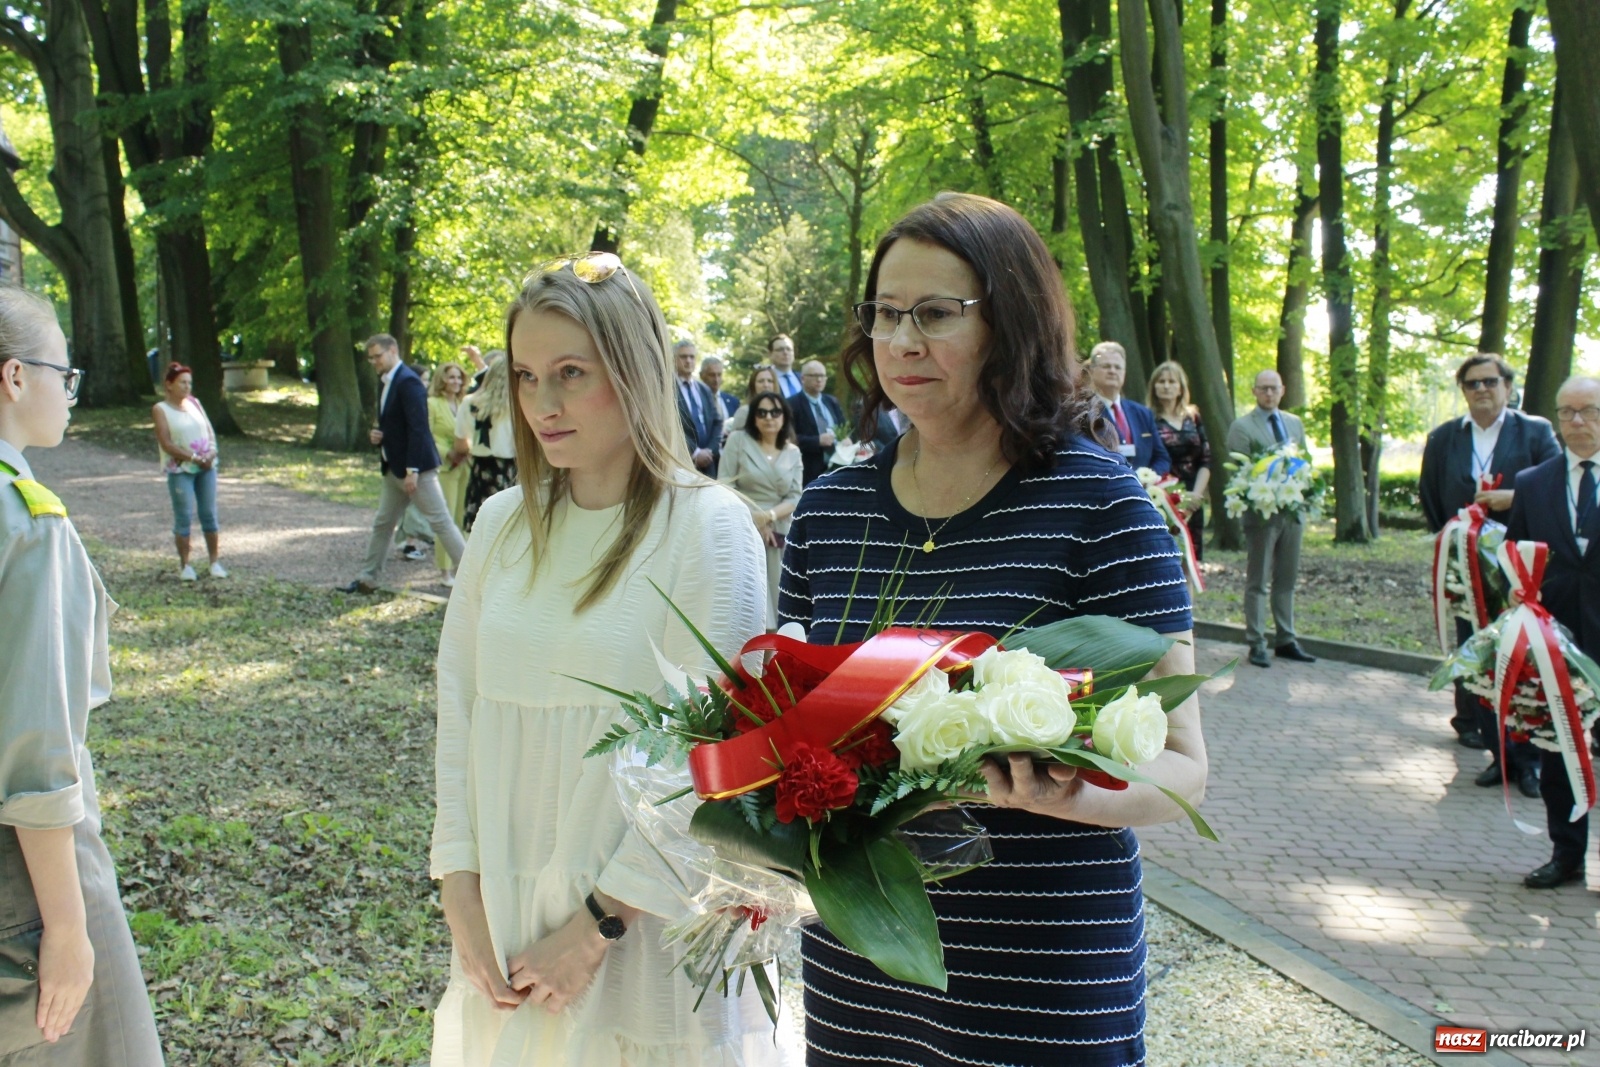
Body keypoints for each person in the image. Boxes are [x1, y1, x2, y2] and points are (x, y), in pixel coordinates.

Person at [780, 192, 1205, 1067]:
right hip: (861, 970)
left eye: (936, 314)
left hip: (1036, 978)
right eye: (885, 313)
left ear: (1010, 323)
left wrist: (1062, 793)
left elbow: (1184, 767)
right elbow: (790, 724)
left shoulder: (1102, 506)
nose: (901, 342)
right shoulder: (827, 513)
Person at [429, 252, 770, 1065]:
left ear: (633, 370)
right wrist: (459, 890)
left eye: (570, 373)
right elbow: (459, 708)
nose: (541, 404)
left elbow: (715, 758)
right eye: (524, 376)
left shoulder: (709, 527)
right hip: (506, 916)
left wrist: (595, 927)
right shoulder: (501, 523)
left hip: (640, 936)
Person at [0, 285, 165, 1064]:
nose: (70, 394)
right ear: (13, 377)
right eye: (63, 375)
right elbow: (38, 753)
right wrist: (68, 928)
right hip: (28, 880)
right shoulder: (30, 524)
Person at [1419, 352, 1558, 775]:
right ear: (1463, 391)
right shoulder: (1444, 437)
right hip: (1469, 569)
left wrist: (1513, 498)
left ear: (1508, 387)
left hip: (1522, 566)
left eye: (1490, 381)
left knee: (1524, 653)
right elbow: (1430, 494)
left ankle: (1529, 757)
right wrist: (1458, 543)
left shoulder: (1535, 431)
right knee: (1477, 652)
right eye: (1472, 383)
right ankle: (1495, 751)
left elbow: (1554, 485)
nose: (1481, 389)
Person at [1506, 376, 1600, 890]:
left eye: (1589, 411)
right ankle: (1567, 856)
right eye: (1567, 412)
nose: (1577, 422)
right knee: (1559, 749)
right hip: (1557, 639)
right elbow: (1517, 557)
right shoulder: (1533, 482)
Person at [338, 334, 465, 594]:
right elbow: (396, 424)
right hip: (393, 468)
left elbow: (419, 429)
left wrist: (412, 470)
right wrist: (379, 435)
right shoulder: (385, 380)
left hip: (416, 470)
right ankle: (367, 579)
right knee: (383, 524)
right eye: (371, 358)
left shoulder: (409, 382)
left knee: (441, 522)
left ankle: (479, 581)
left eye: (377, 356)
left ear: (393, 350)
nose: (374, 361)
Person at [1226, 370, 1316, 669]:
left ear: (1282, 390)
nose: (1268, 393)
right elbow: (1239, 471)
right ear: (1254, 391)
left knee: (1287, 579)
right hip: (1260, 514)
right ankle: (1257, 642)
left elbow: (1304, 462)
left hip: (1293, 511)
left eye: (1273, 388)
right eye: (1263, 388)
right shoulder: (1242, 427)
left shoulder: (1294, 423)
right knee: (1259, 580)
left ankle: (1286, 639)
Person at [718, 390, 802, 627]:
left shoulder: (793, 452)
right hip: (743, 526)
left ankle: (775, 651)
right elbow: (725, 483)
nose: (768, 418)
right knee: (746, 604)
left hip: (779, 531)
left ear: (784, 416)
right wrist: (753, 518)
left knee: (779, 603)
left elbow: (796, 496)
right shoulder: (738, 441)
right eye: (762, 413)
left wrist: (768, 516)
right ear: (753, 417)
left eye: (775, 412)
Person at [152, 362, 226, 581]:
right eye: (182, 382)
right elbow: (166, 443)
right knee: (184, 516)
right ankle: (185, 565)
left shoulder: (195, 403)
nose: (187, 387)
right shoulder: (161, 409)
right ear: (169, 385)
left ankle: (214, 562)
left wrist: (211, 453)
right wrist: (193, 457)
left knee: (209, 514)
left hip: (206, 468)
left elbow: (209, 432)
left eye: (189, 383)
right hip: (180, 470)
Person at [1148, 359, 1211, 560]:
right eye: (1161, 381)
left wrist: (1196, 496)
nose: (1166, 386)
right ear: (1154, 386)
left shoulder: (1193, 417)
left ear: (1181, 387)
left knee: (1191, 560)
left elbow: (1206, 459)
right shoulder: (1148, 418)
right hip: (1163, 497)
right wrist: (1171, 496)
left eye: (1172, 381)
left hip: (1193, 496)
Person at [454, 351, 517, 533]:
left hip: (481, 469)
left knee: (480, 527)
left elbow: (460, 444)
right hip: (510, 470)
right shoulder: (517, 405)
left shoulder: (469, 403)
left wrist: (470, 448)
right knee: (508, 527)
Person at [1086, 341, 1171, 474]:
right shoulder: (1084, 412)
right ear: (1092, 370)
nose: (1112, 371)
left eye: (1117, 367)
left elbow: (1162, 458)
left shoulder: (1143, 413)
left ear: (1124, 372)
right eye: (1106, 366)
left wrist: (1148, 477)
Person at [429, 360, 472, 585]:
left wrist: (467, 451)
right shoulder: (432, 404)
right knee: (446, 520)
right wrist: (448, 453)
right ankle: (445, 571)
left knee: (463, 517)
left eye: (459, 377)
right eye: (451, 377)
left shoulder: (465, 402)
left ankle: (461, 567)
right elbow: (427, 436)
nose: (456, 381)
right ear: (442, 380)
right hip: (445, 466)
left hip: (466, 465)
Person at [789, 360, 845, 485]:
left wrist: (847, 439)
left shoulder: (832, 402)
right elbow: (789, 438)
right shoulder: (792, 404)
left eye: (822, 376)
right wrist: (817, 441)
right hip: (809, 469)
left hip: (838, 466)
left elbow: (845, 428)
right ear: (803, 378)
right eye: (814, 376)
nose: (819, 380)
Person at [671, 339, 722, 477]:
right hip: (681, 464)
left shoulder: (704, 389)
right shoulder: (666, 388)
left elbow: (717, 422)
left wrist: (710, 450)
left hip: (708, 463)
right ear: (673, 359)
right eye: (683, 356)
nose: (688, 361)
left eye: (692, 357)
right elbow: (669, 426)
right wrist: (695, 452)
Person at [724, 364, 780, 436]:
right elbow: (735, 440)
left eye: (770, 381)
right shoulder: (744, 412)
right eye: (761, 381)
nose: (766, 385)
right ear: (753, 385)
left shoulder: (781, 411)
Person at [698, 355, 740, 421]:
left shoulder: (733, 401)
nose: (716, 379)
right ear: (702, 375)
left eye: (719, 375)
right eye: (712, 375)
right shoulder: (695, 400)